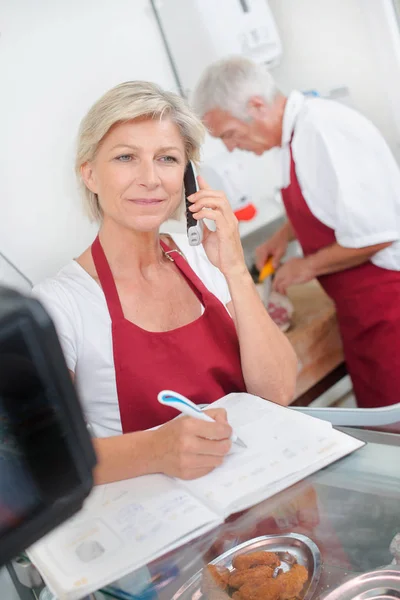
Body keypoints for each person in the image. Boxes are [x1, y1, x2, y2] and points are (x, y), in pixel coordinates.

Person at [33, 81, 297, 484]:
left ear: (189, 176)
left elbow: (278, 391)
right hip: (162, 525)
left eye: (168, 159)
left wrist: (235, 269)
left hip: (258, 483)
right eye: (125, 157)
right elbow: (47, 457)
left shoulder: (204, 261)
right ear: (90, 174)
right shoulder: (58, 305)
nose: (151, 178)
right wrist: (157, 450)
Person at [192, 56, 400, 410]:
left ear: (256, 106)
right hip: (359, 313)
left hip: (387, 308)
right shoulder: (294, 136)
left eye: (229, 134)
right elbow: (331, 203)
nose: (230, 147)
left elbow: (379, 233)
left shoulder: (322, 130)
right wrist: (282, 237)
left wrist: (306, 266)